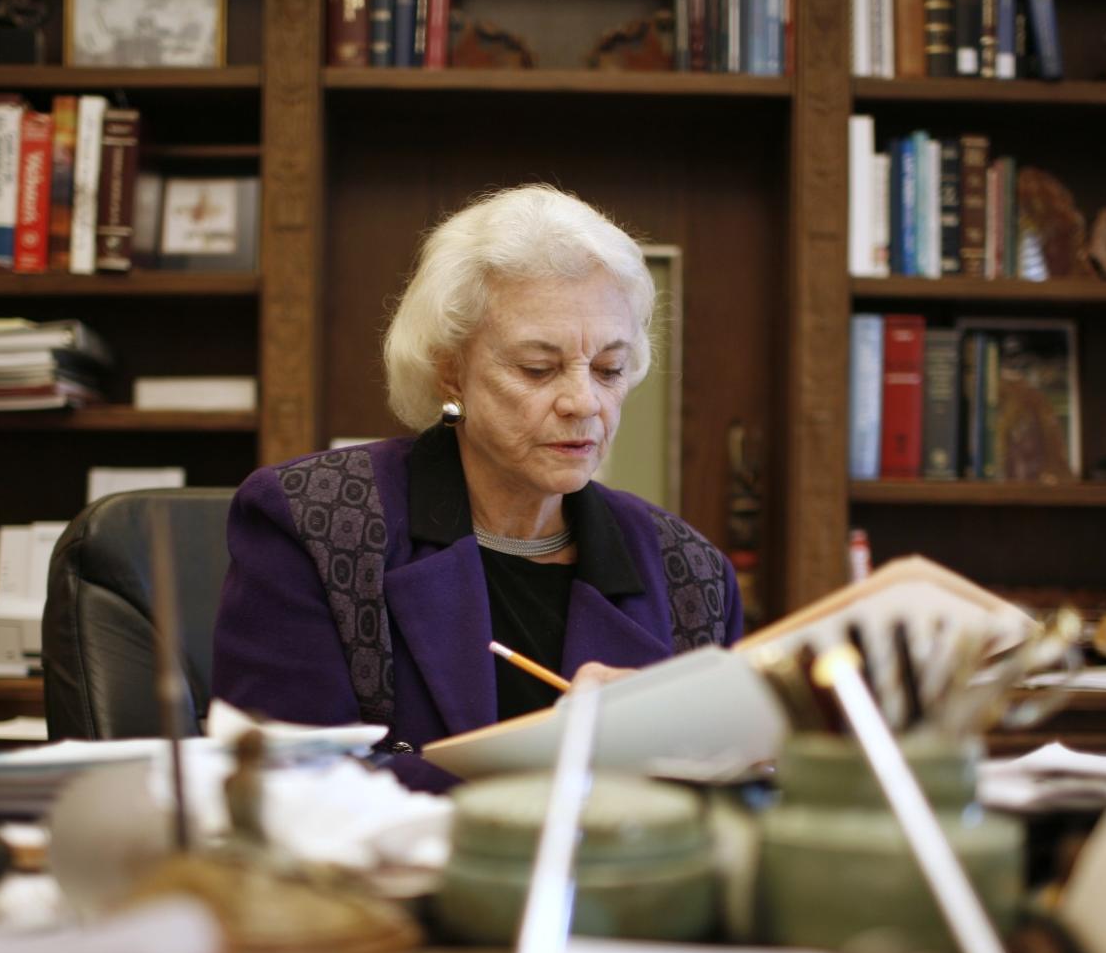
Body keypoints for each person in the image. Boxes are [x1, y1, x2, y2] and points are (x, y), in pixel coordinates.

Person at [213, 185, 742, 788]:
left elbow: (732, 802)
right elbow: (277, 789)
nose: (583, 402)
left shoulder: (692, 576)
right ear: (450, 369)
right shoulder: (316, 524)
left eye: (609, 369)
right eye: (537, 369)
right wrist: (561, 766)